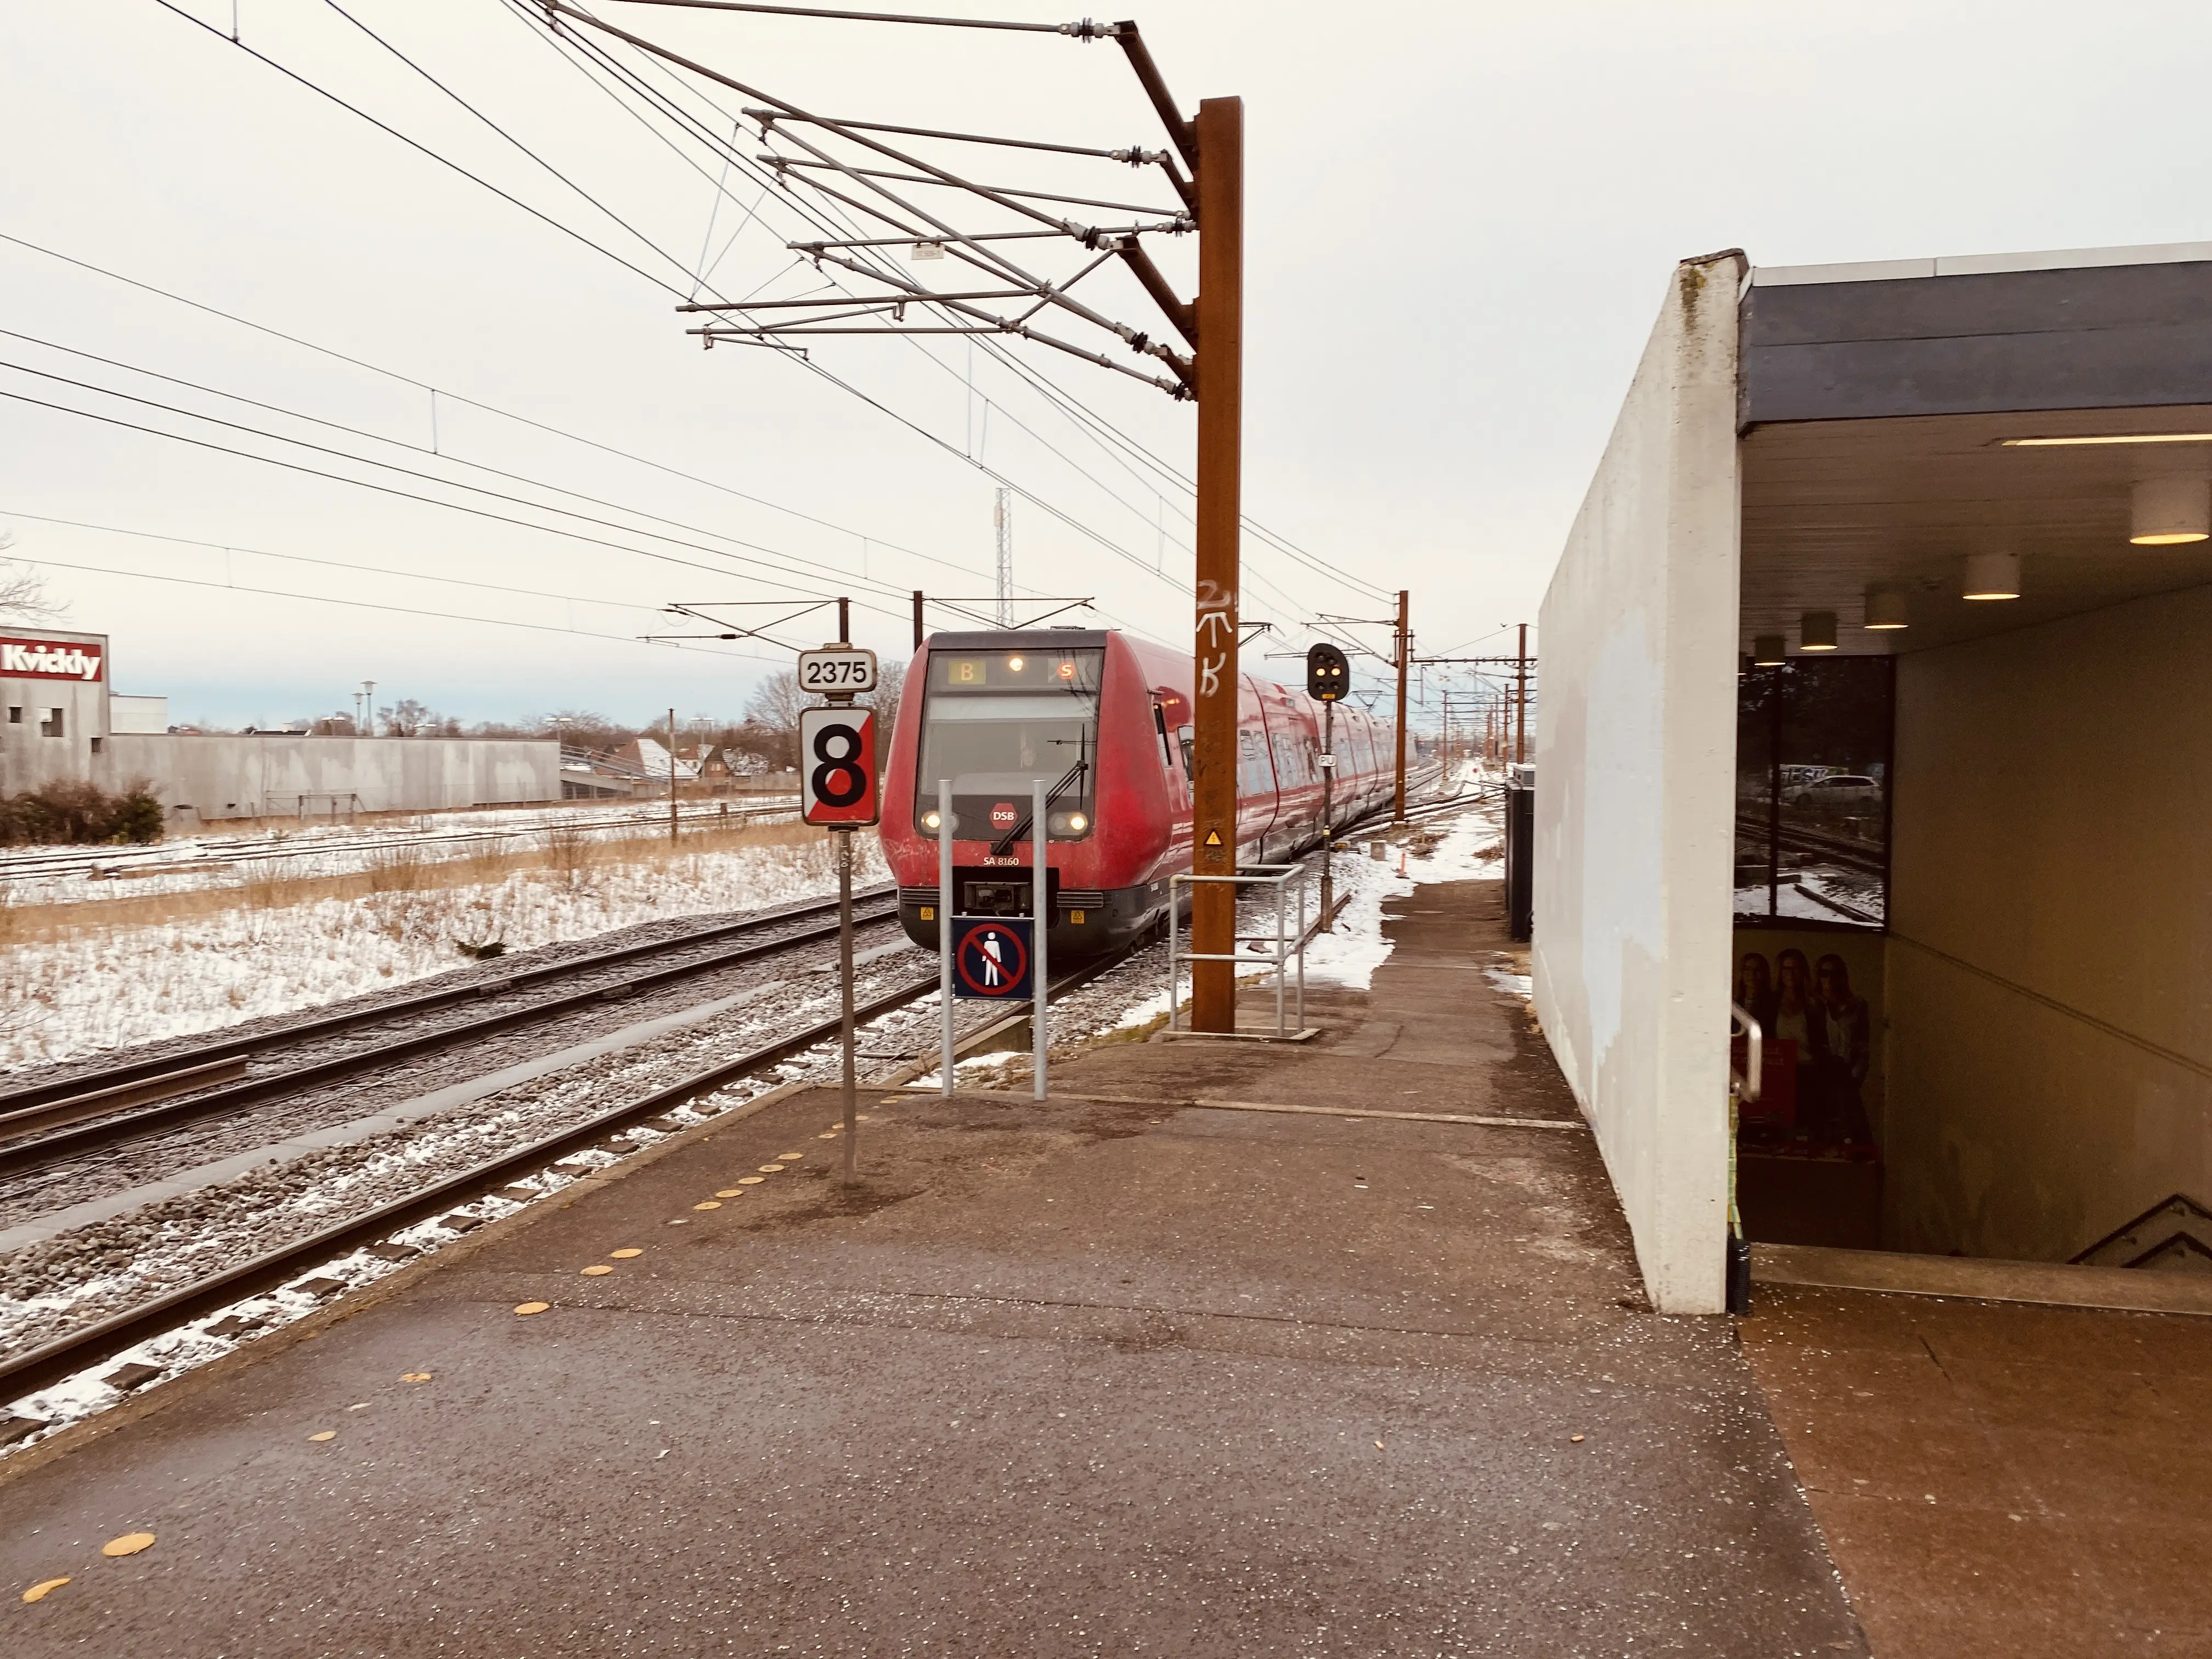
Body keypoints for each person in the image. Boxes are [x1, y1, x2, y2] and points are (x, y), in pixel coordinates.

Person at [1813, 953, 1874, 1151]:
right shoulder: (1813, 1005)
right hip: (1820, 1070)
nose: (1829, 979)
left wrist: (1856, 1075)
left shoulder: (1857, 1005)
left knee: (1851, 1120)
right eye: (1824, 973)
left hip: (1847, 1071)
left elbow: (1863, 1044)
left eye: (1834, 974)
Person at [1772, 950, 1814, 1139]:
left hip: (1808, 1072)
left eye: (1795, 969)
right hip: (1779, 1072)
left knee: (1806, 1126)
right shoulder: (1772, 1002)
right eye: (1786, 968)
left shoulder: (1813, 1004)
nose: (1790, 974)